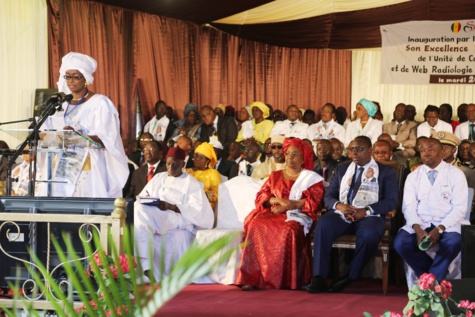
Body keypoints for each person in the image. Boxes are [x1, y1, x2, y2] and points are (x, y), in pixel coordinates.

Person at [306, 136, 398, 293]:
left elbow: (391, 201)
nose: (354, 153)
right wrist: (339, 205)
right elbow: (328, 196)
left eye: (359, 149)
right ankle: (319, 277)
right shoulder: (342, 169)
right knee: (323, 224)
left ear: (370, 150)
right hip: (343, 214)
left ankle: (351, 276)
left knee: (369, 234)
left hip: (369, 216)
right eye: (351, 149)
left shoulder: (386, 172)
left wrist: (366, 210)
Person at [236, 138, 324, 290]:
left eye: (295, 154)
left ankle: (283, 280)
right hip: (273, 211)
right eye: (288, 154)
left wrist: (290, 205)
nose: (290, 158)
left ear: (303, 158)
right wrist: (277, 200)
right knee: (256, 225)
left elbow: (315, 200)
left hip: (298, 215)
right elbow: (261, 196)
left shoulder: (311, 178)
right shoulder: (275, 175)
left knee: (288, 229)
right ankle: (253, 278)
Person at [43, 52, 128, 198]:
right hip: (59, 165)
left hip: (88, 166)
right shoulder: (59, 105)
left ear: (86, 79)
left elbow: (108, 139)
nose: (71, 81)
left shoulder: (100, 103)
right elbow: (43, 133)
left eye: (76, 76)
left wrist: (77, 136)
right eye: (68, 76)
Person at [393, 138, 469, 281]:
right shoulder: (413, 176)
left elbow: (460, 208)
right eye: (422, 150)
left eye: (431, 149)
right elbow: (408, 207)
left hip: (447, 223)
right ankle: (431, 277)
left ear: (442, 152)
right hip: (421, 222)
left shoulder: (455, 174)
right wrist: (417, 229)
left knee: (453, 242)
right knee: (400, 243)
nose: (426, 153)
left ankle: (430, 281)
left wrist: (440, 228)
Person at [134, 147, 214, 281]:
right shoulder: (159, 177)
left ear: (183, 164)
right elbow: (143, 196)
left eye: (175, 164)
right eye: (168, 164)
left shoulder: (191, 182)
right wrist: (150, 201)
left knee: (141, 213)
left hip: (178, 217)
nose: (171, 167)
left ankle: (145, 267)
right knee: (139, 208)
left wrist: (171, 206)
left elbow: (198, 209)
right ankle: (145, 267)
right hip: (158, 214)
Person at [185, 142, 221, 211]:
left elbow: (217, 195)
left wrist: (201, 193)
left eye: (201, 157)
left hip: (204, 209)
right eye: (196, 155)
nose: (197, 159)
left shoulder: (213, 173)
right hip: (186, 205)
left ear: (207, 161)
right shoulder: (187, 171)